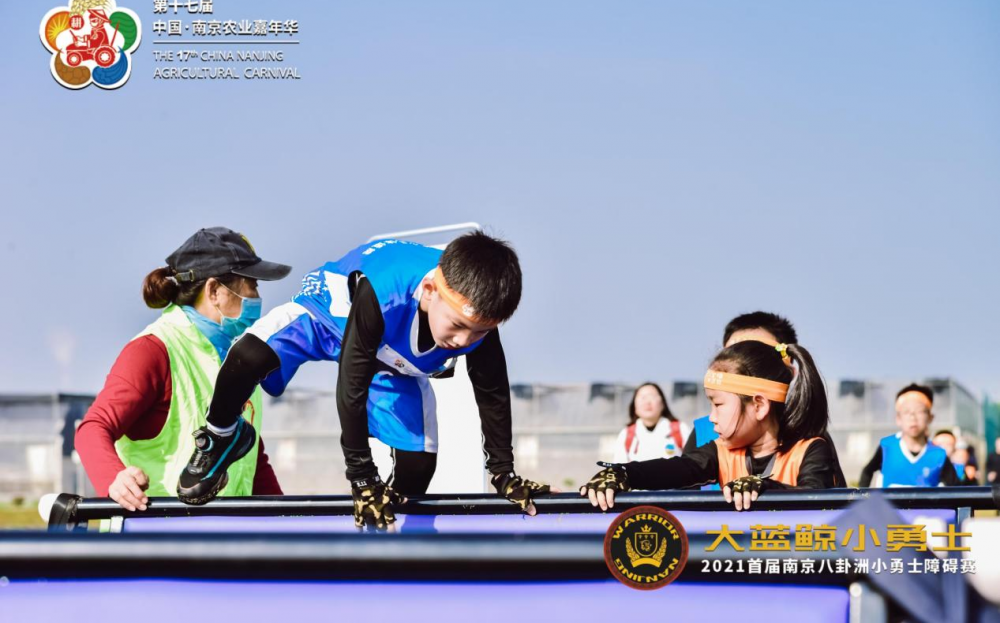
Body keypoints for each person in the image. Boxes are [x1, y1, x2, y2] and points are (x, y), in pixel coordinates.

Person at [176, 232, 550, 530]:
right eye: (457, 326)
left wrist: (503, 472)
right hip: (327, 317)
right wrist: (362, 478)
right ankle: (221, 436)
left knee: (419, 465)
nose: (464, 342)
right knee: (247, 356)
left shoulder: (477, 320)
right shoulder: (386, 290)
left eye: (478, 332)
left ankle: (385, 536)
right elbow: (351, 385)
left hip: (390, 358)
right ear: (429, 292)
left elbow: (492, 393)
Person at [76, 227, 291, 511]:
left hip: (228, 534)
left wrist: (288, 519)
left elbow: (252, 461)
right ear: (214, 291)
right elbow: (93, 428)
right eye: (252, 285)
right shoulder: (153, 350)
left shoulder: (240, 357)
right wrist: (114, 479)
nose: (256, 296)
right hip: (156, 532)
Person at [580, 340, 842, 511]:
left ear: (759, 405)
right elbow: (678, 468)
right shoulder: (721, 451)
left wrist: (765, 486)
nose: (712, 417)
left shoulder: (811, 449)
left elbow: (814, 495)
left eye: (718, 404)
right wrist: (624, 474)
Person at [683, 311, 799, 453]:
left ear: (790, 372)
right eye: (733, 354)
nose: (743, 361)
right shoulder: (704, 433)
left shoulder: (808, 440)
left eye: (755, 355)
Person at [858, 384, 959, 487]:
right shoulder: (887, 447)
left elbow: (955, 488)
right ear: (898, 418)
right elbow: (867, 472)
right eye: (907, 412)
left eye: (919, 411)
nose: (913, 417)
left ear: (930, 417)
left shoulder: (939, 455)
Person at [612, 383, 689, 463]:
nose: (647, 402)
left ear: (663, 404)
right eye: (643, 397)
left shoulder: (680, 429)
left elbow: (692, 464)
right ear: (634, 406)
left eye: (652, 396)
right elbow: (619, 467)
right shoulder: (626, 434)